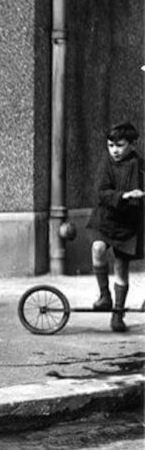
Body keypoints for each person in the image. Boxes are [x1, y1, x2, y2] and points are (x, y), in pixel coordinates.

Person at [86, 121, 144, 333]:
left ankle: (118, 313)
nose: (114, 150)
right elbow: (101, 191)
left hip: (127, 224)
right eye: (111, 145)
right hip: (106, 218)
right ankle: (105, 296)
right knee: (98, 248)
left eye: (119, 145)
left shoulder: (139, 164)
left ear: (132, 145)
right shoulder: (106, 163)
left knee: (121, 266)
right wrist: (124, 196)